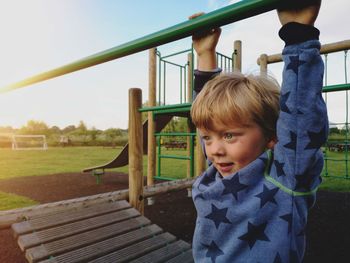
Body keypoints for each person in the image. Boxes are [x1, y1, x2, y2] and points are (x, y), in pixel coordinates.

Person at [190, 1, 328, 262]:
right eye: (208, 138)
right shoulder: (217, 172)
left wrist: (298, 33)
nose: (215, 150)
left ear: (272, 136)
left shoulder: (285, 179)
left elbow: (302, 118)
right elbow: (208, 122)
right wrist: (205, 55)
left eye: (230, 135)